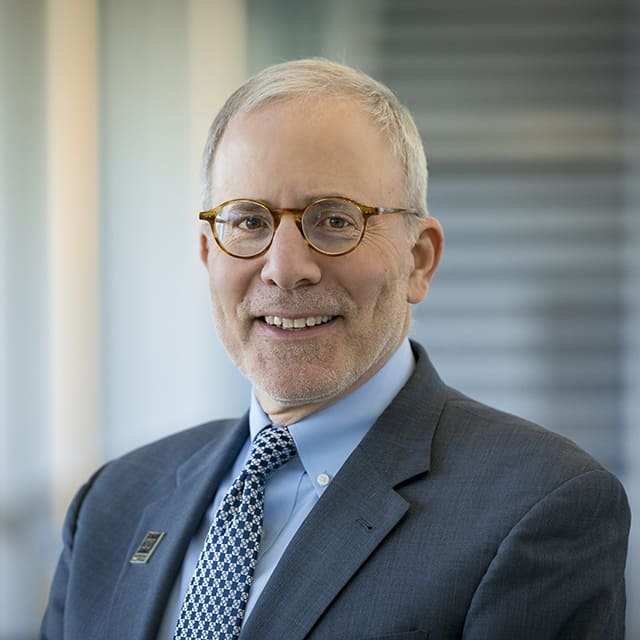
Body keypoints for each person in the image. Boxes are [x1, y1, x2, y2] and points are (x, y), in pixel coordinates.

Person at [41, 58, 630, 640]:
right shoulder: (113, 503)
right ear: (207, 255)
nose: (284, 269)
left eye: (334, 220)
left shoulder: (539, 506)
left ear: (418, 260)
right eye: (248, 222)